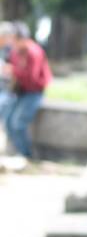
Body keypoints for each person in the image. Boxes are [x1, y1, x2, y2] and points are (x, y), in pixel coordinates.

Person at [2, 21, 52, 159]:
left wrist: (13, 71)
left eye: (14, 39)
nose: (11, 42)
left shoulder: (34, 52)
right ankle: (17, 151)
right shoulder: (15, 51)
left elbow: (32, 78)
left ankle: (26, 155)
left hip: (34, 92)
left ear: (22, 39)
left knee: (18, 123)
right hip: (19, 91)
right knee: (8, 121)